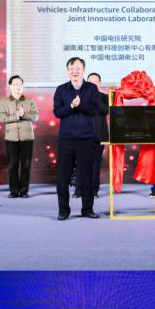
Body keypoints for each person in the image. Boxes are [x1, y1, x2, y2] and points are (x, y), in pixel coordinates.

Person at [53, 57, 100, 220]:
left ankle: (87, 209)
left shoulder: (92, 88)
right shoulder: (61, 89)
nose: (75, 71)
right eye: (72, 68)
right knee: (63, 176)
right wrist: (72, 106)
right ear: (68, 71)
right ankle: (63, 210)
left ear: (84, 70)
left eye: (78, 68)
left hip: (86, 138)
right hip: (66, 138)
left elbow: (94, 110)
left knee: (86, 175)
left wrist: (81, 105)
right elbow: (57, 112)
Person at [0, 75, 39, 198]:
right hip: (11, 138)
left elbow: (35, 116)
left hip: (27, 138)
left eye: (20, 84)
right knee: (12, 165)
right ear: (10, 86)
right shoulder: (4, 101)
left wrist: (24, 115)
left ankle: (24, 191)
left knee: (26, 165)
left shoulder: (29, 101)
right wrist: (15, 116)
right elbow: (2, 117)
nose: (18, 87)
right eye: (15, 84)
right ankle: (14, 191)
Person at [73, 72, 108, 199]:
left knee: (95, 164)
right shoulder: (80, 96)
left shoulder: (104, 97)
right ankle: (78, 190)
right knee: (81, 163)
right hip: (83, 135)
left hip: (99, 135)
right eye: (90, 82)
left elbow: (105, 110)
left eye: (95, 82)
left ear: (99, 83)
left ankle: (93, 190)